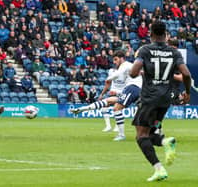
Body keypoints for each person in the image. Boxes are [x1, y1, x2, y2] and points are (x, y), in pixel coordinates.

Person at [130, 21, 191, 182]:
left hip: (149, 98)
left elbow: (133, 73)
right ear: (166, 35)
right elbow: (186, 74)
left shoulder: (145, 50)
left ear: (150, 34)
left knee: (140, 136)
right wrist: (188, 93)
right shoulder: (174, 52)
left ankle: (159, 168)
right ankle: (164, 141)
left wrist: (141, 71)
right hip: (165, 100)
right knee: (149, 133)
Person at [71, 50, 142, 141]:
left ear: (122, 58)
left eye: (116, 59)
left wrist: (109, 78)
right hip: (135, 89)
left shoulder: (125, 65)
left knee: (117, 108)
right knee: (108, 101)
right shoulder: (127, 70)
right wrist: (82, 109)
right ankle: (81, 109)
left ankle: (121, 135)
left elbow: (117, 74)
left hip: (134, 88)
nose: (114, 62)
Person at [98, 67, 126, 132]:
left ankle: (117, 127)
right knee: (104, 106)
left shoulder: (125, 70)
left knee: (117, 108)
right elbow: (108, 83)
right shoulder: (111, 71)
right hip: (112, 92)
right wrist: (102, 94)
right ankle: (108, 126)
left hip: (121, 93)